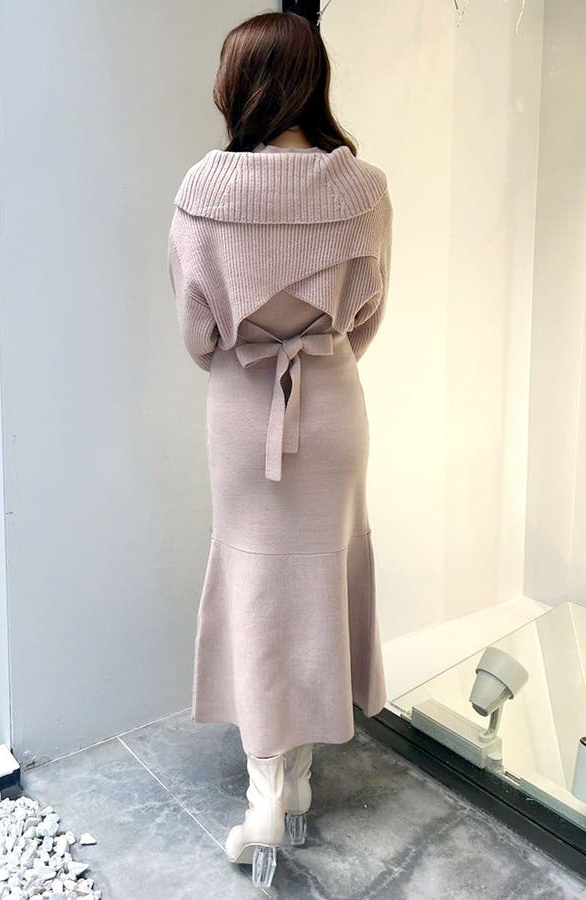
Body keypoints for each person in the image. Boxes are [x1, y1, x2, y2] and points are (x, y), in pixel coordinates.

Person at [167, 10, 393, 889]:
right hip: (332, 405)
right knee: (319, 581)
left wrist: (247, 353)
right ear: (315, 81)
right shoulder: (364, 188)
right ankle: (294, 777)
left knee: (259, 587)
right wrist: (320, 352)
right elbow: (367, 315)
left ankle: (266, 794)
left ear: (239, 86)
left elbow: (197, 332)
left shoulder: (203, 190)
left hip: (242, 407)